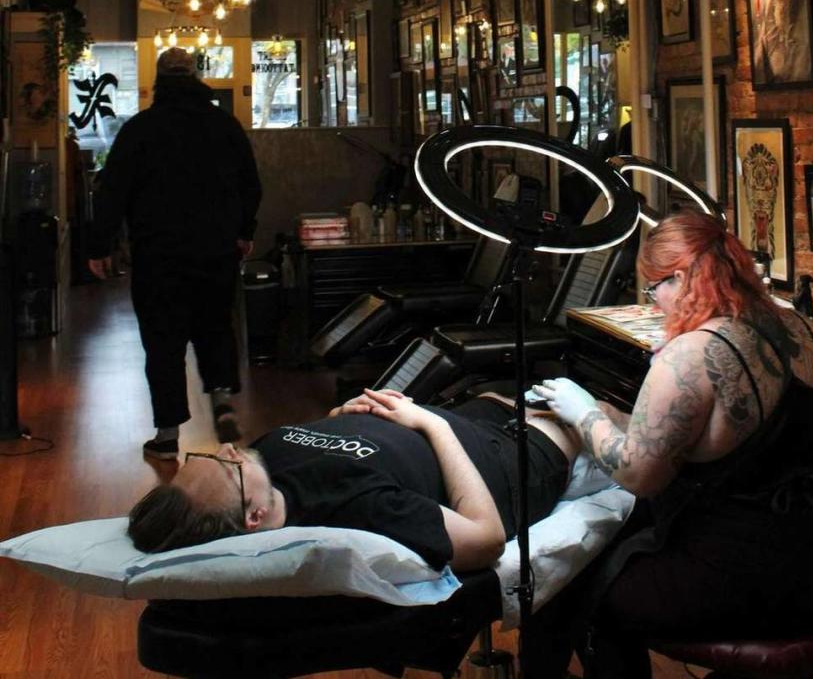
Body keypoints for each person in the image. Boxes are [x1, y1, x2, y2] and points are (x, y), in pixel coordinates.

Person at [527, 209, 813, 679]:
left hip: (746, 580)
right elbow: (734, 438)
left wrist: (581, 411)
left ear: (684, 276)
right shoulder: (802, 329)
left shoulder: (693, 354)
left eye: (655, 288)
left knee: (577, 588)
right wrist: (618, 415)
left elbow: (639, 476)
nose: (654, 304)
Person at [126, 389, 580, 572]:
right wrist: (431, 426)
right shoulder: (356, 511)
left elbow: (332, 446)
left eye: (205, 454)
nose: (229, 449)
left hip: (457, 415)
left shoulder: (264, 459)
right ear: (255, 517)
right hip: (506, 458)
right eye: (229, 467)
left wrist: (341, 419)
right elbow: (486, 539)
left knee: (513, 386)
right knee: (592, 410)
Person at [87, 47, 262, 461]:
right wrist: (243, 231)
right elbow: (250, 185)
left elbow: (112, 192)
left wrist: (98, 246)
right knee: (215, 326)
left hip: (158, 255)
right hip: (215, 250)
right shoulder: (225, 126)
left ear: (159, 79)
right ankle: (221, 400)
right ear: (197, 76)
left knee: (162, 339)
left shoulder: (141, 130)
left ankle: (167, 434)